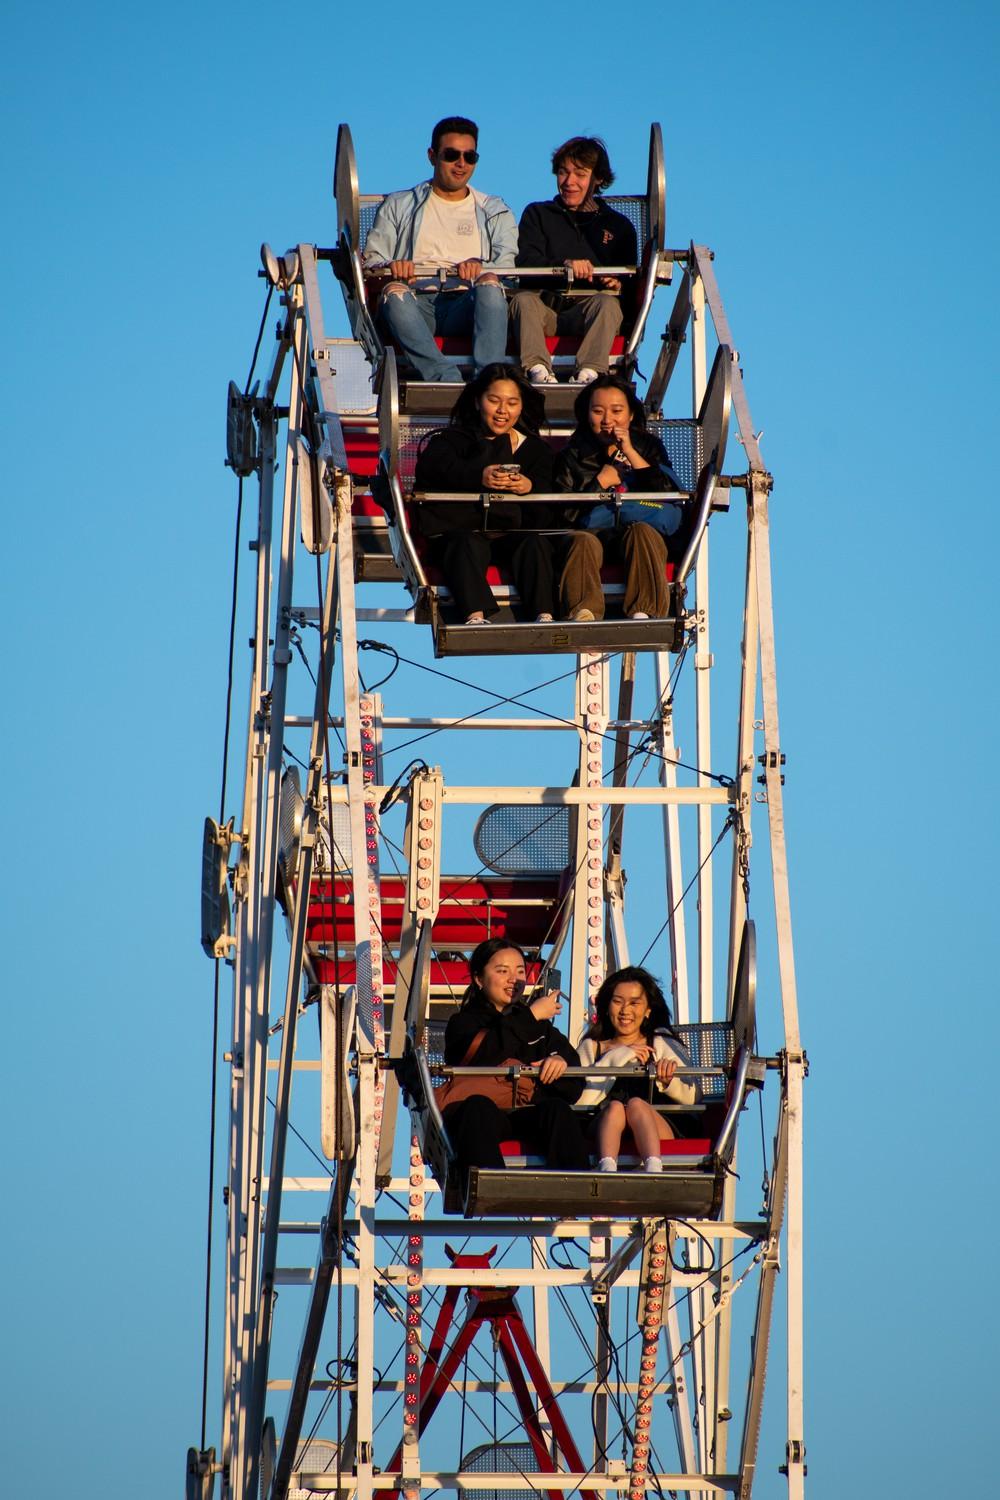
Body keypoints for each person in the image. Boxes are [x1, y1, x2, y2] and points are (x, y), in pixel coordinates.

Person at [363, 117, 517, 382]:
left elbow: (508, 268)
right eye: (451, 155)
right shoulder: (399, 205)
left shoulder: (493, 209)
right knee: (394, 292)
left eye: (470, 156)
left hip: (466, 304)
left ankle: (488, 382)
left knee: (491, 285)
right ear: (432, 156)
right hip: (416, 303)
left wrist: (481, 270)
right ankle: (446, 379)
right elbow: (372, 261)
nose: (461, 164)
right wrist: (394, 269)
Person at [413, 364, 557, 624]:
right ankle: (474, 615)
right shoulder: (450, 440)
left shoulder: (536, 449)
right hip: (465, 531)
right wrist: (478, 476)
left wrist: (529, 488)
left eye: (512, 403)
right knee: (463, 544)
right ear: (478, 402)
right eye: (494, 401)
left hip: (513, 532)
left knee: (534, 544)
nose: (503, 411)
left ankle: (544, 614)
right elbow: (434, 470)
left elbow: (549, 498)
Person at [442, 939, 590, 1177]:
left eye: (520, 971)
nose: (514, 978)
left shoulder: (541, 1030)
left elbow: (574, 1088)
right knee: (477, 1108)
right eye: (502, 971)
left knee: (557, 1110)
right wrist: (530, 1015)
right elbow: (483, 1054)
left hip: (527, 1111)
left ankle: (574, 1184)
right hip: (484, 1114)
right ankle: (489, 1181)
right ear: (479, 979)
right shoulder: (463, 1023)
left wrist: (559, 1065)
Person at [554, 376, 684, 622]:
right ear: (586, 414)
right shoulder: (571, 455)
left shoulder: (649, 446)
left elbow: (667, 492)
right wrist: (600, 483)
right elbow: (565, 516)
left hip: (637, 530)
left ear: (631, 415)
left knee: (642, 532)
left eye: (616, 411)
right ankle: (583, 612)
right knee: (581, 540)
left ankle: (644, 611)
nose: (607, 420)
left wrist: (632, 453)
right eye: (598, 411)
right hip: (594, 533)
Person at [511, 137, 637, 386]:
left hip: (589, 311)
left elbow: (631, 283)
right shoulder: (538, 214)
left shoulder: (618, 226)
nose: (569, 182)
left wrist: (616, 284)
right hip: (545, 307)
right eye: (563, 173)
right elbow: (525, 262)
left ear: (598, 178)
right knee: (522, 301)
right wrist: (565, 265)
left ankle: (589, 373)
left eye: (580, 174)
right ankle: (538, 370)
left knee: (608, 305)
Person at [576, 966, 696, 1173]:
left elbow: (694, 1096)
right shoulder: (592, 1047)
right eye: (617, 1001)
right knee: (615, 1108)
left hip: (659, 1119)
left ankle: (653, 1167)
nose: (625, 1011)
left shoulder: (660, 1041)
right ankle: (606, 1168)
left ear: (648, 1010)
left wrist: (668, 1081)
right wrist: (618, 1056)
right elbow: (580, 1100)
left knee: (636, 1105)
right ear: (606, 1006)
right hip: (604, 1120)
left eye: (634, 1003)